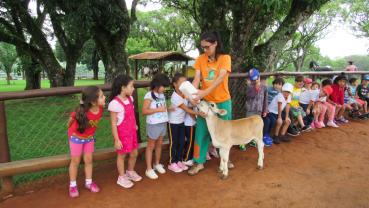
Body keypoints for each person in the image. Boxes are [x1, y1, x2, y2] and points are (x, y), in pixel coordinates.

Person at [188, 31, 233, 176]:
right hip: (205, 102)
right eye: (202, 47)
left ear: (215, 44)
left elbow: (220, 78)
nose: (205, 50)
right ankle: (199, 162)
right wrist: (193, 94)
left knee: (225, 132)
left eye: (207, 47)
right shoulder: (200, 59)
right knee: (201, 132)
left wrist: (203, 93)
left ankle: (225, 160)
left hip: (222, 102)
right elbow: (196, 79)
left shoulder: (225, 58)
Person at [67, 86, 105, 198]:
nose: (105, 97)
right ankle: (72, 185)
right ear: (93, 102)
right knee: (75, 161)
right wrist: (70, 131)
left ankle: (88, 182)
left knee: (88, 159)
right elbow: (70, 121)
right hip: (76, 138)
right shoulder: (81, 111)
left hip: (89, 138)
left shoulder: (100, 109)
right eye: (102, 96)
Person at [108, 75, 142, 189]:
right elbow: (113, 123)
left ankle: (130, 171)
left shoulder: (130, 99)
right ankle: (121, 177)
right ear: (123, 88)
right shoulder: (114, 104)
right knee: (121, 155)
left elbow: (131, 115)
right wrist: (117, 139)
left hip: (132, 133)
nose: (133, 88)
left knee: (134, 153)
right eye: (131, 86)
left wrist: (135, 124)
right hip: (122, 135)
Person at [168, 73, 200, 172]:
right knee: (174, 143)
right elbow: (187, 109)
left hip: (181, 122)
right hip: (173, 123)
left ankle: (178, 160)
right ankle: (172, 162)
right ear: (174, 84)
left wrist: (196, 101)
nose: (184, 84)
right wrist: (199, 114)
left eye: (185, 82)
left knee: (181, 142)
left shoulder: (184, 94)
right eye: (181, 82)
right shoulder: (175, 97)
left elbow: (193, 102)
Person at [142, 73, 170, 179]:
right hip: (153, 125)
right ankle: (148, 169)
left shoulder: (161, 95)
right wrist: (159, 110)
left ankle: (157, 164)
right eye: (164, 86)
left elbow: (162, 108)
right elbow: (144, 111)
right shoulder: (149, 95)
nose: (164, 89)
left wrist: (168, 109)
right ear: (157, 85)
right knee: (150, 146)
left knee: (159, 145)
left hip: (163, 123)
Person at [240, 68, 269, 150]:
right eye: (252, 79)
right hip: (250, 110)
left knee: (255, 126)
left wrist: (265, 110)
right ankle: (242, 142)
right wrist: (255, 87)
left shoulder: (264, 87)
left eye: (256, 78)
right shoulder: (249, 86)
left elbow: (265, 99)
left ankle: (252, 139)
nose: (255, 80)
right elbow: (250, 96)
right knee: (246, 126)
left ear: (259, 76)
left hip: (259, 111)